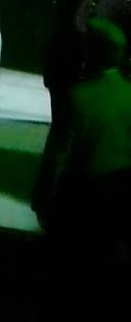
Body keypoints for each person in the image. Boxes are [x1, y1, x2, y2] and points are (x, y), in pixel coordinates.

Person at [34, 0, 131, 223]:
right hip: (111, 66)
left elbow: (64, 27)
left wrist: (52, 65)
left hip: (73, 67)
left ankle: (47, 197)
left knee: (61, 136)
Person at [44, 19, 131, 298]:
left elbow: (60, 151)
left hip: (83, 189)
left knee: (74, 269)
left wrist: (46, 191)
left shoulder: (78, 96)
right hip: (121, 185)